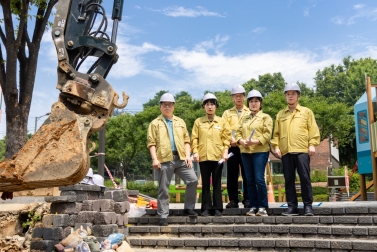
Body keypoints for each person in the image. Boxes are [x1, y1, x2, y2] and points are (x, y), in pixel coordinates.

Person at [147, 93, 198, 226]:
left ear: (173, 107)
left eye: (170, 104)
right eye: (164, 104)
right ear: (160, 107)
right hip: (164, 159)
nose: (167, 107)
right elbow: (151, 143)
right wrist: (154, 159)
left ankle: (189, 208)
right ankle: (163, 215)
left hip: (181, 158)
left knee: (192, 179)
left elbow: (187, 140)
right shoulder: (154, 123)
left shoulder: (180, 122)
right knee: (164, 188)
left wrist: (188, 156)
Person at [271, 83, 320, 216]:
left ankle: (308, 207)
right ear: (285, 96)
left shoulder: (306, 112)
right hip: (286, 152)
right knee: (288, 180)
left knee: (305, 178)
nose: (290, 96)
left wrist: (312, 144)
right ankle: (292, 207)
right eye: (288, 94)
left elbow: (313, 130)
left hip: (302, 150)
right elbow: (276, 134)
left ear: (298, 96)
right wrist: (276, 147)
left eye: (293, 94)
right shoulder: (280, 114)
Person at [192, 93, 231, 217]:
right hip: (203, 157)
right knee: (205, 185)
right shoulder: (198, 122)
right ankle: (206, 208)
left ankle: (218, 208)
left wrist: (225, 152)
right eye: (207, 104)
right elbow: (194, 138)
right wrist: (195, 152)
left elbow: (226, 138)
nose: (210, 107)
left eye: (212, 104)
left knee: (217, 182)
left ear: (216, 106)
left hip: (217, 157)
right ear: (203, 106)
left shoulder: (222, 121)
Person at [235, 90, 272, 216]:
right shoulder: (244, 118)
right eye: (251, 101)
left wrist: (254, 142)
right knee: (249, 180)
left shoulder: (265, 117)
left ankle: (262, 206)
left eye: (256, 101)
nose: (253, 104)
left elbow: (267, 135)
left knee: (259, 179)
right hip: (245, 151)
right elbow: (238, 132)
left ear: (260, 103)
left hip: (260, 151)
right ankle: (253, 205)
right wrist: (241, 141)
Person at [222, 84, 250, 208]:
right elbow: (224, 129)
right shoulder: (227, 113)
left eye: (240, 96)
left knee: (247, 174)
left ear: (244, 97)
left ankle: (248, 199)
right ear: (232, 98)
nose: (238, 98)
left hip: (246, 148)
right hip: (232, 148)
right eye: (236, 96)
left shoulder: (250, 111)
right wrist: (231, 139)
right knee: (232, 174)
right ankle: (233, 200)